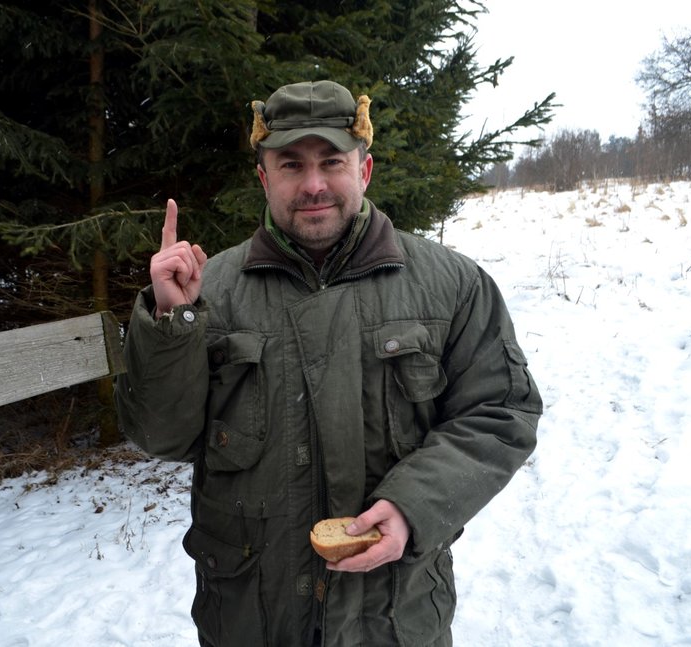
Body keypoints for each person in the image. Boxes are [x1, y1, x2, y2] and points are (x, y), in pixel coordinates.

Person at [115, 80, 541, 647]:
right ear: (264, 179)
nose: (313, 185)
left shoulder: (453, 286)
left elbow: (502, 412)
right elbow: (160, 436)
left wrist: (414, 506)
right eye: (291, 165)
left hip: (394, 617)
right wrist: (173, 324)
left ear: (363, 172)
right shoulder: (206, 291)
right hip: (249, 619)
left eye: (331, 162)